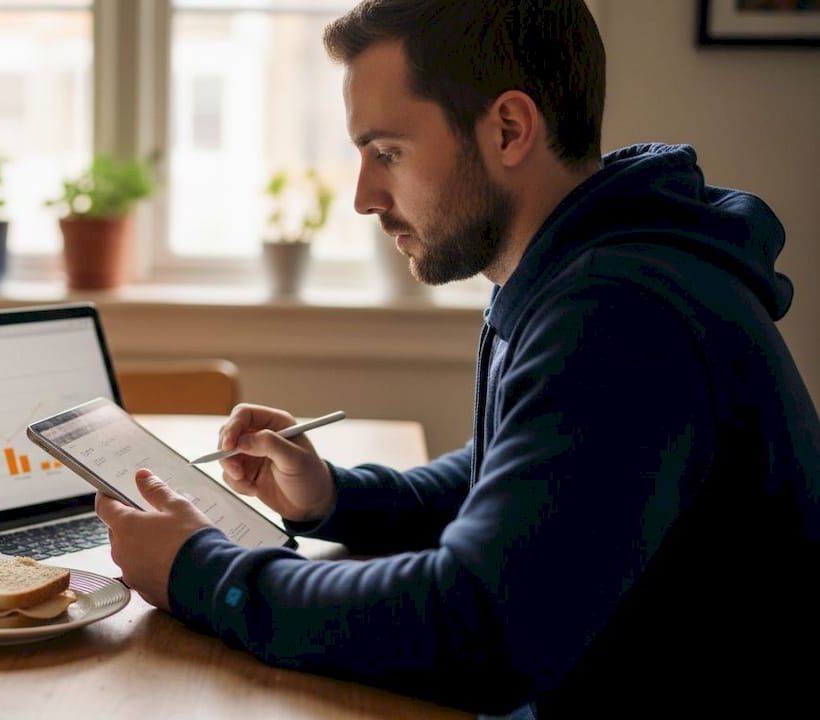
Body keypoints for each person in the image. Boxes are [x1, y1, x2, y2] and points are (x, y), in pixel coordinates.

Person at [94, 0, 820, 717]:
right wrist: (334, 497)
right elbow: (506, 475)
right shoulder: (584, 265)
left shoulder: (620, 312)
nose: (363, 197)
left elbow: (474, 627)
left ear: (509, 129)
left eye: (387, 152)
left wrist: (201, 571)